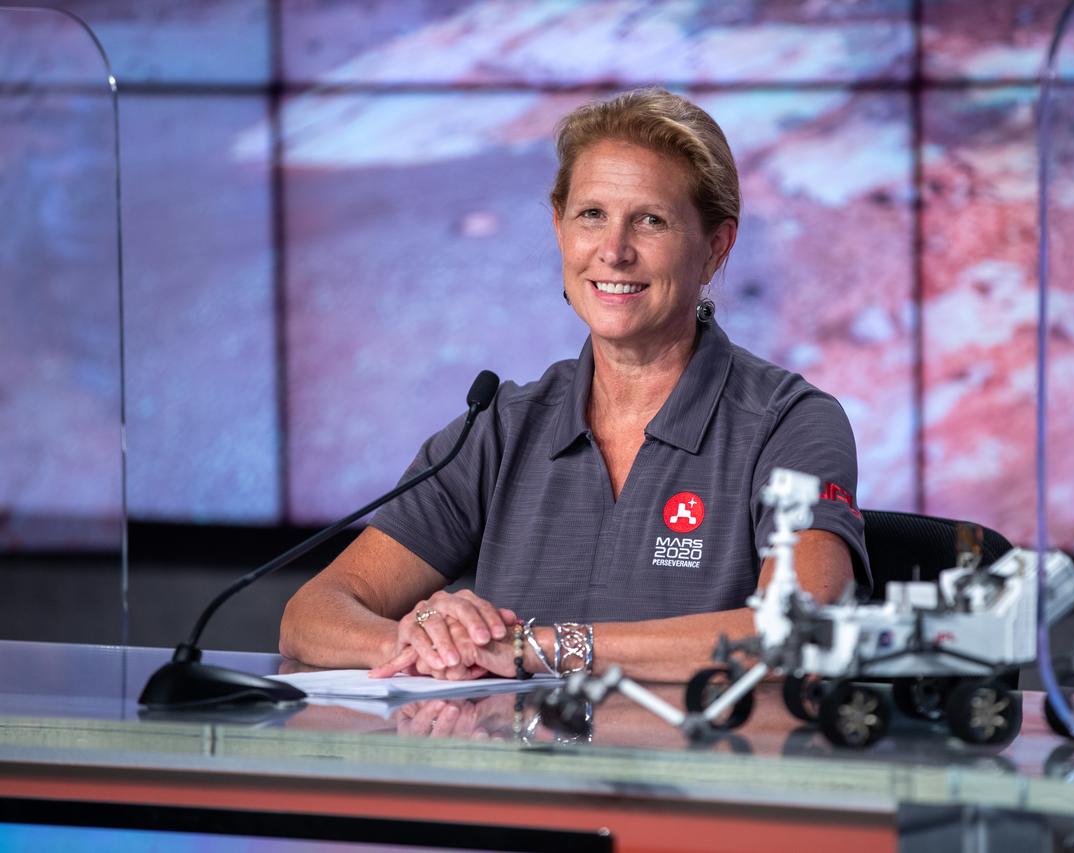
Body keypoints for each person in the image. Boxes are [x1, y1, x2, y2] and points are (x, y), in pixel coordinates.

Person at [279, 88, 868, 683]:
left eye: (651, 220)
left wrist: (538, 648)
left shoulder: (788, 422)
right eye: (592, 215)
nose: (613, 251)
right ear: (560, 229)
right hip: (519, 747)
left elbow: (805, 628)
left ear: (716, 247)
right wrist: (424, 643)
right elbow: (311, 615)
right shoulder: (502, 427)